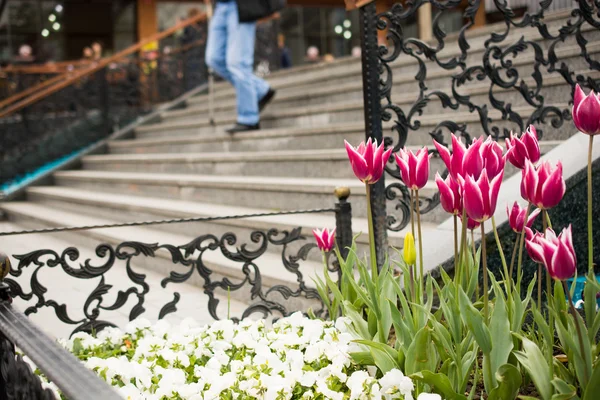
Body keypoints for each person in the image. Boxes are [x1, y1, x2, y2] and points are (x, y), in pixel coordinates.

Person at [205, 0, 276, 134]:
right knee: (214, 59)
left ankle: (249, 119)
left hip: (241, 5)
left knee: (237, 63)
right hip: (220, 6)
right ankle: (261, 89)